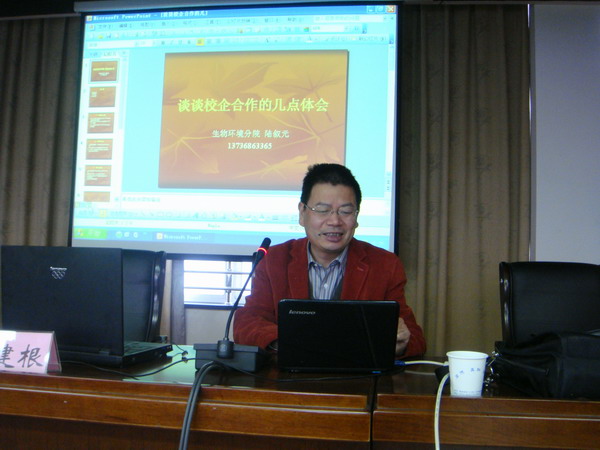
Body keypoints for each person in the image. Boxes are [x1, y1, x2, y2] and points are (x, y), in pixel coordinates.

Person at [233, 163, 426, 358]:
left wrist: (400, 343)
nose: (334, 221)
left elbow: (416, 339)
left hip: (356, 374)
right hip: (290, 372)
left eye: (345, 211)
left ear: (356, 216)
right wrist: (291, 343)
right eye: (322, 210)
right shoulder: (274, 260)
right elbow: (247, 324)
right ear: (302, 213)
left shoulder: (385, 265)